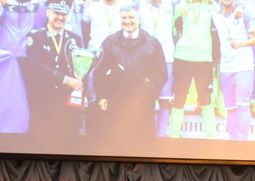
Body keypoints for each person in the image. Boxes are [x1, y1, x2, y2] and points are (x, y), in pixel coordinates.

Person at [93, 3, 167, 144]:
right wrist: (102, 96)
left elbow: (161, 73)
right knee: (117, 144)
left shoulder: (152, 43)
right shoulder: (109, 42)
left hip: (143, 104)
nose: (127, 21)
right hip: (116, 105)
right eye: (124, 18)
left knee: (141, 145)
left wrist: (148, 93)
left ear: (138, 19)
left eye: (131, 17)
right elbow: (99, 71)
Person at [24, 0, 83, 136]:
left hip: (66, 100)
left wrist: (80, 94)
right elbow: (36, 66)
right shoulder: (35, 37)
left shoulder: (75, 39)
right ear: (48, 13)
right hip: (43, 99)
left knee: (67, 138)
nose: (60, 17)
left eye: (64, 14)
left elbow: (80, 71)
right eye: (56, 13)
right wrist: (65, 79)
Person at [167, 0, 218, 138]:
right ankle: (173, 136)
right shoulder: (180, 7)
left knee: (205, 97)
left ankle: (211, 137)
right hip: (182, 57)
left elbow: (224, 12)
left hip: (204, 58)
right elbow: (172, 29)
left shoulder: (212, 7)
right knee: (180, 96)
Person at [212, 0, 255, 139]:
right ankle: (233, 142)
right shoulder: (215, 14)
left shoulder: (244, 12)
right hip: (226, 68)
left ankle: (242, 144)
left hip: (243, 67)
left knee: (243, 106)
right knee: (230, 109)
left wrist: (241, 44)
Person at [138, 0, 175, 137]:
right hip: (145, 59)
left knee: (165, 100)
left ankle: (160, 136)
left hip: (167, 58)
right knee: (145, 99)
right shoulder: (140, 4)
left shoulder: (171, 3)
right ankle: (146, 135)